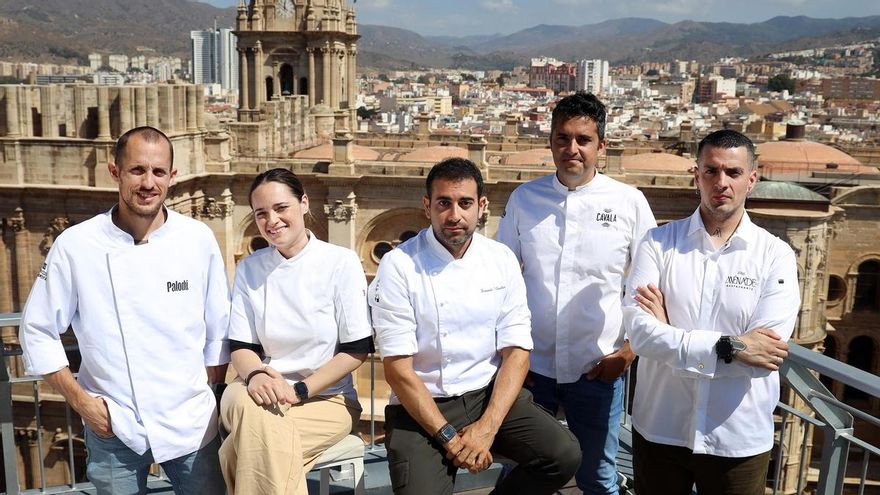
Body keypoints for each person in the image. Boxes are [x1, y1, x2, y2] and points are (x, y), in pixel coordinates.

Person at [19, 126, 229, 494]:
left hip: (191, 422)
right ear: (115, 171)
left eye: (158, 172)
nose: (148, 183)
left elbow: (218, 327)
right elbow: (36, 329)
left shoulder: (197, 240)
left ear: (172, 177)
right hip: (113, 425)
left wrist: (206, 390)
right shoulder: (77, 245)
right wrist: (82, 402)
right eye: (137, 170)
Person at [369, 157, 581, 495]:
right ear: (427, 207)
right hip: (421, 404)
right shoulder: (398, 266)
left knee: (563, 455)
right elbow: (397, 370)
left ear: (481, 207)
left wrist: (487, 428)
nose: (455, 215)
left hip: (487, 395)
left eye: (465, 203)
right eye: (444, 203)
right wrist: (450, 438)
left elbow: (516, 352)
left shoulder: (500, 260)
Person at [496, 91, 655, 494]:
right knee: (523, 472)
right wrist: (508, 356)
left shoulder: (629, 203)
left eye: (583, 140)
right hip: (532, 369)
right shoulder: (524, 200)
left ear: (601, 145)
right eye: (563, 138)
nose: (572, 149)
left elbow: (653, 286)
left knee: (599, 478)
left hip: (598, 368)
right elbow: (498, 281)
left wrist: (628, 352)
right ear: (550, 142)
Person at [623, 129, 799, 494]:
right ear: (696, 176)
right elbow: (640, 334)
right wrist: (732, 347)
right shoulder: (657, 243)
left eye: (733, 173)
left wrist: (670, 333)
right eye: (711, 171)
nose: (721, 182)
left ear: (752, 179)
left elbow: (766, 349)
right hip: (661, 427)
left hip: (737, 437)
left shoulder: (775, 255)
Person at [219, 168, 371, 495]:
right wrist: (257, 375)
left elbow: (357, 349)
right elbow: (242, 345)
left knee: (244, 450)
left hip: (326, 400)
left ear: (303, 203)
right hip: (253, 390)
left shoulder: (340, 263)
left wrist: (300, 390)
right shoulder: (250, 268)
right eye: (261, 214)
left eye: (280, 208)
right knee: (249, 412)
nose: (271, 220)